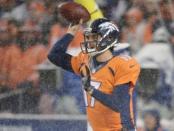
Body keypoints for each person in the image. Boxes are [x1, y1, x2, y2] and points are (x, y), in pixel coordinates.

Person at [48, 18, 140, 131]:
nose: (89, 41)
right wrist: (70, 33)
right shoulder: (85, 59)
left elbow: (118, 104)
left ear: (109, 38)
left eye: (94, 37)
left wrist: (91, 90)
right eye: (88, 37)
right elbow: (54, 56)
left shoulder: (121, 65)